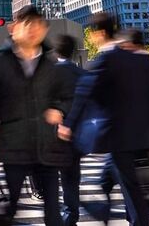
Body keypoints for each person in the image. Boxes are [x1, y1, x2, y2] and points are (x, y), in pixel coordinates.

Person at [61, 13, 149, 226]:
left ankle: (130, 219)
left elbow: (84, 94)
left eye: (90, 34)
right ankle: (115, 213)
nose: (90, 38)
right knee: (125, 184)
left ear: (100, 33)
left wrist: (69, 124)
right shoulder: (142, 60)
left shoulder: (107, 59)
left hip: (119, 136)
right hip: (143, 134)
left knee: (131, 188)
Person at [0, 5, 69, 226]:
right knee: (8, 211)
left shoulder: (50, 61)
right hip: (14, 148)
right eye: (27, 24)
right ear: (13, 28)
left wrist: (61, 111)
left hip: (46, 147)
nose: (33, 30)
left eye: (38, 24)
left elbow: (65, 96)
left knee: (54, 213)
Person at [52, 35, 84, 226]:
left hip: (53, 132)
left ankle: (60, 212)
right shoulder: (81, 74)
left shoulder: (50, 73)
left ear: (56, 52)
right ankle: (71, 212)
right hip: (77, 132)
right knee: (71, 175)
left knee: (50, 175)